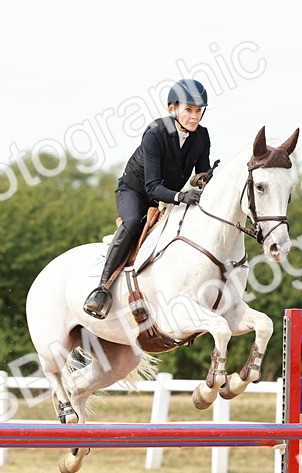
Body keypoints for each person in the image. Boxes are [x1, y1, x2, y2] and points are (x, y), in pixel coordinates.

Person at [83, 79, 213, 319]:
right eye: (188, 110)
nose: (194, 117)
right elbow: (152, 187)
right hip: (135, 192)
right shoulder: (155, 134)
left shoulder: (202, 137)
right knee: (132, 222)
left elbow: (201, 174)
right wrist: (181, 196)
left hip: (167, 197)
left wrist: (206, 180)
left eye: (198, 111)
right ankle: (101, 289)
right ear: (172, 108)